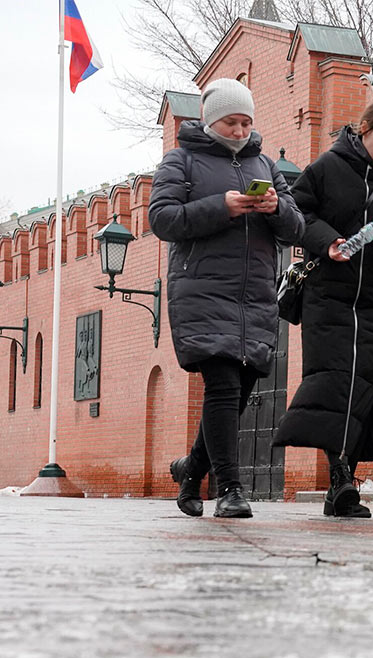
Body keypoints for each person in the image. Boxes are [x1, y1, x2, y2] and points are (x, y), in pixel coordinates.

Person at [149, 78, 304, 519]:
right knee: (222, 386)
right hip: (201, 290)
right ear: (211, 119)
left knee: (238, 393)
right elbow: (162, 219)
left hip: (254, 295)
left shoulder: (266, 165)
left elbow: (296, 229)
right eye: (232, 122)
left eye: (246, 122)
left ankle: (191, 468)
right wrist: (223, 206)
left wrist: (275, 208)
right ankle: (231, 489)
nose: (240, 131)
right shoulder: (181, 161)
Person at [273, 99, 373, 518]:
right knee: (332, 384)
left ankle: (344, 478)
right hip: (328, 299)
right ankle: (341, 478)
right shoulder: (326, 168)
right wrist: (327, 242)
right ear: (364, 129)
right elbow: (296, 214)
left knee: (362, 388)